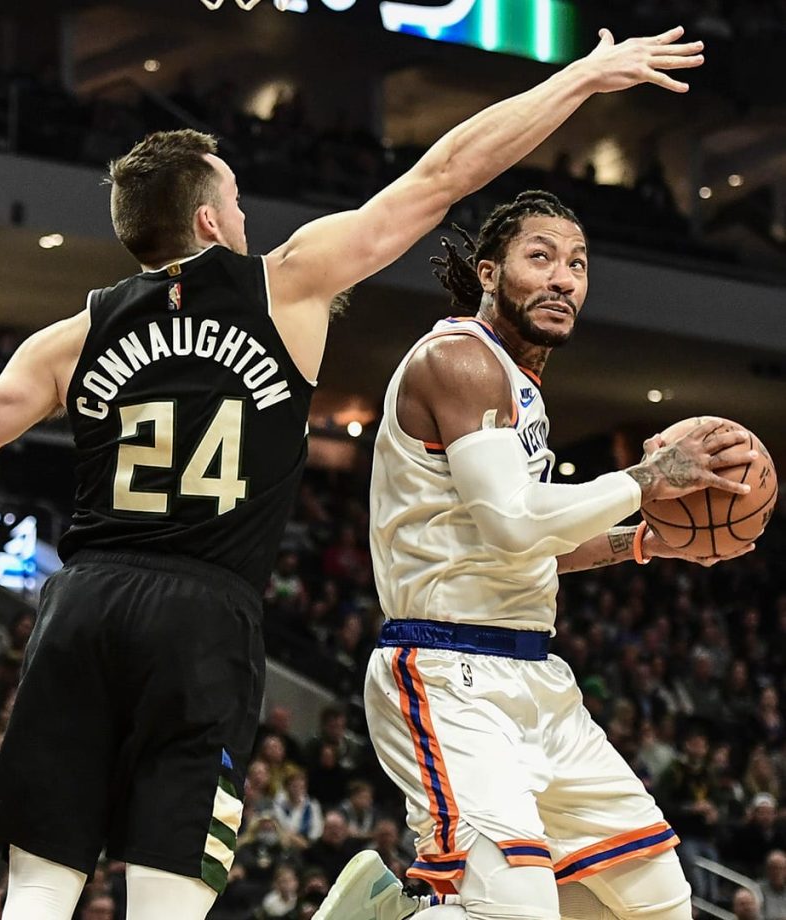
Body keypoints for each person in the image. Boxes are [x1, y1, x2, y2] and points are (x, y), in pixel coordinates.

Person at [0, 24, 705, 920]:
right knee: (168, 895)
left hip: (81, 599)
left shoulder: (69, 338)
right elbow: (445, 175)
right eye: (236, 201)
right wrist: (582, 80)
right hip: (203, 614)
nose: (246, 218)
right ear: (208, 222)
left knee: (41, 886)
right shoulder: (283, 287)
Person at [318, 187, 757, 919]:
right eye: (541, 257)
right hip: (447, 669)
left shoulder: (524, 388)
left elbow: (538, 548)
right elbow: (516, 527)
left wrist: (642, 540)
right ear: (489, 273)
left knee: (654, 903)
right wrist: (646, 481)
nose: (564, 278)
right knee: (516, 908)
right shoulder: (458, 360)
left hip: (536, 677)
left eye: (578, 265)